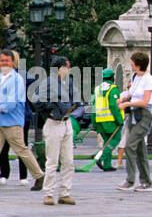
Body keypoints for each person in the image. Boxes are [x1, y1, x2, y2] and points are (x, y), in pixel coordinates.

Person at [34, 56, 80, 205]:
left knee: (68, 160)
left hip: (66, 123)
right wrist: (51, 109)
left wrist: (67, 108)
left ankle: (65, 192)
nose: (69, 69)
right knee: (52, 160)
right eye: (67, 66)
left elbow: (75, 99)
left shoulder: (68, 82)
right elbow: (37, 100)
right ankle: (48, 193)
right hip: (54, 123)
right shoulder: (47, 83)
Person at [0, 50, 43, 192]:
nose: (4, 63)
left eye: (6, 60)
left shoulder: (16, 79)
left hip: (12, 121)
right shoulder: (1, 77)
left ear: (13, 62)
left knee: (21, 149)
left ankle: (39, 175)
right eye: (2, 60)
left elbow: (11, 103)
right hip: (1, 120)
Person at [116, 52, 152, 192]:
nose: (131, 64)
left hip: (144, 115)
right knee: (140, 150)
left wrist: (126, 104)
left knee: (130, 146)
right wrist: (122, 99)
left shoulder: (148, 79)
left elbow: (145, 102)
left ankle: (130, 180)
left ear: (138, 64)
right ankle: (146, 182)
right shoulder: (135, 77)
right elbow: (131, 93)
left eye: (132, 62)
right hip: (134, 115)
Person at [91, 68, 124, 171]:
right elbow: (114, 106)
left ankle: (107, 165)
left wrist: (94, 123)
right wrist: (120, 120)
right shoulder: (112, 89)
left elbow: (93, 106)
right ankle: (100, 156)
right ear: (112, 77)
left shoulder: (97, 89)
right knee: (116, 139)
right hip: (111, 120)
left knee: (107, 141)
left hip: (99, 120)